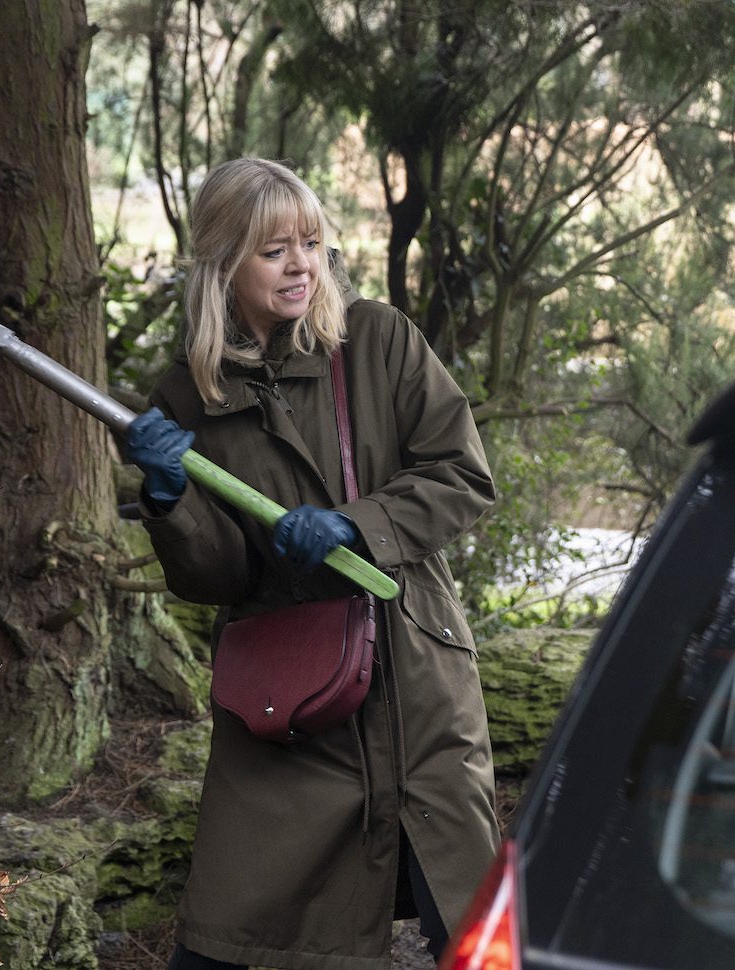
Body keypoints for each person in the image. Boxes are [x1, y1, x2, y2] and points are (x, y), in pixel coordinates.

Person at [125, 157, 498, 970]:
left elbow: (464, 475)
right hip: (289, 702)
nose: (302, 265)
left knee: (473, 936)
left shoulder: (378, 340)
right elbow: (218, 577)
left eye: (312, 243)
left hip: (414, 680)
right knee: (230, 937)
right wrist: (169, 498)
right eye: (273, 250)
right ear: (223, 263)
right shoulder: (188, 393)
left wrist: (356, 526)